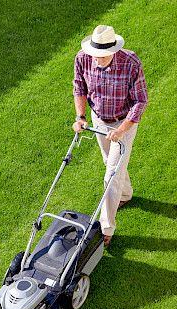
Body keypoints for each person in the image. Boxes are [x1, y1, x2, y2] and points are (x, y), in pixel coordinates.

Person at [72, 25, 148, 246]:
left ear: (113, 50)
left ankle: (106, 229)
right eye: (95, 55)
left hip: (123, 122)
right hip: (98, 120)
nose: (97, 59)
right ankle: (125, 195)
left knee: (111, 175)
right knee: (111, 163)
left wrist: (122, 129)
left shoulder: (131, 64)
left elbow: (141, 101)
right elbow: (79, 87)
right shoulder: (82, 58)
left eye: (102, 56)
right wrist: (80, 116)